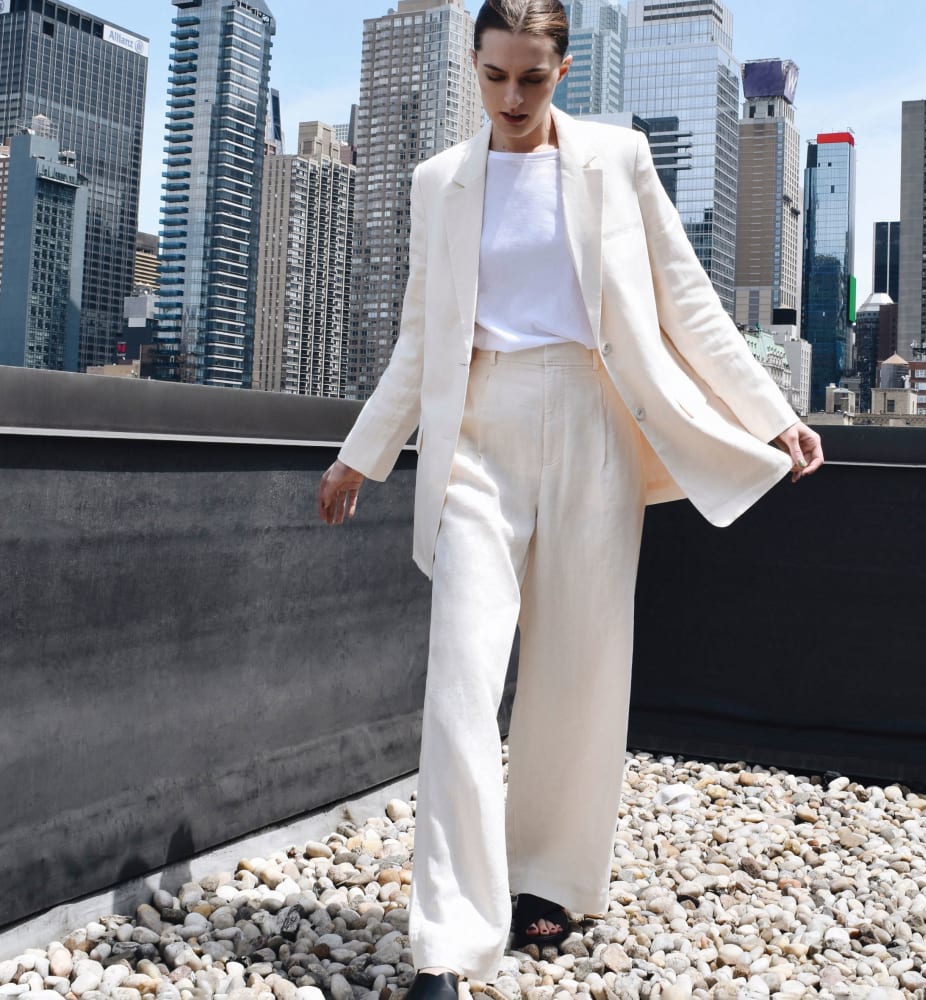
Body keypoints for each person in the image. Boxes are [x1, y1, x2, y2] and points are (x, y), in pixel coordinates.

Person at [318, 2, 823, 998]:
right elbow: (422, 336)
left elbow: (686, 300)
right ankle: (446, 945)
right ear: (474, 63)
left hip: (594, 424)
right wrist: (360, 455)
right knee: (461, 683)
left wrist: (768, 413)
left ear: (563, 69)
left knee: (577, 671)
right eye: (495, 75)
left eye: (532, 78)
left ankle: (546, 877)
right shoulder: (437, 182)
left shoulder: (615, 160)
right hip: (478, 434)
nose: (511, 98)